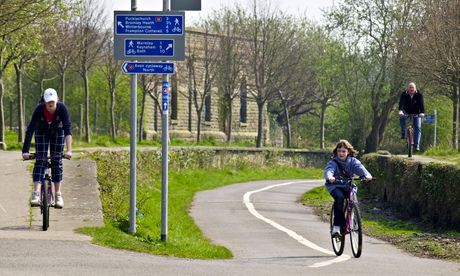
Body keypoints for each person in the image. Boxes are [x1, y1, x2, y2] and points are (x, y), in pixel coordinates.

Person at [22, 88, 72, 208]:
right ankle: (36, 193)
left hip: (58, 132)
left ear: (56, 101)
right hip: (41, 131)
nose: (51, 104)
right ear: (44, 101)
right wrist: (25, 150)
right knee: (40, 160)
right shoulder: (39, 109)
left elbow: (67, 130)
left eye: (53, 102)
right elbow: (30, 129)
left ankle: (58, 194)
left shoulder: (62, 108)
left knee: (57, 161)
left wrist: (69, 150)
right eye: (48, 102)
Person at [324, 140, 372, 237]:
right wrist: (330, 177)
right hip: (335, 186)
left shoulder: (353, 161)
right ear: (336, 152)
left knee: (353, 198)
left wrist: (367, 175)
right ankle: (337, 227)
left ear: (348, 152)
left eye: (343, 151)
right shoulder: (333, 162)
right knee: (339, 198)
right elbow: (329, 170)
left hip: (347, 185)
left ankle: (353, 219)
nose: (341, 153)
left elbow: (360, 168)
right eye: (339, 151)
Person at [398, 82, 425, 151]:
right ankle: (403, 132)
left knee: (418, 127)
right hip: (406, 111)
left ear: (415, 88)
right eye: (410, 87)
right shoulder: (404, 94)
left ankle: (417, 145)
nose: (411, 89)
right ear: (408, 88)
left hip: (416, 113)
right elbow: (401, 103)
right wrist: (400, 110)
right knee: (402, 117)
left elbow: (421, 104)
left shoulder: (419, 95)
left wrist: (422, 112)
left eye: (412, 88)